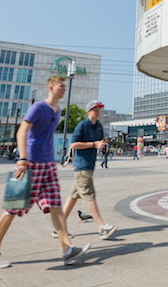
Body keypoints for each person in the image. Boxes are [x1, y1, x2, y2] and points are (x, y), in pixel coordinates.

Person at [0, 75, 89, 269]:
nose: (63, 88)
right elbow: (21, 131)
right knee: (13, 208)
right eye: (60, 86)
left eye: (64, 86)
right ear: (50, 88)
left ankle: (67, 250)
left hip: (48, 165)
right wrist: (22, 159)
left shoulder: (57, 111)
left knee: (56, 206)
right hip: (30, 163)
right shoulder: (38, 108)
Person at [62, 100, 117, 240]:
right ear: (88, 112)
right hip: (81, 166)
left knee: (73, 197)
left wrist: (102, 146)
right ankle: (101, 226)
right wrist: (94, 144)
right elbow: (74, 144)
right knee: (89, 194)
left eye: (99, 110)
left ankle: (58, 227)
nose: (97, 112)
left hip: (90, 165)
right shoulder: (82, 125)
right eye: (95, 110)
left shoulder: (99, 126)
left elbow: (99, 143)